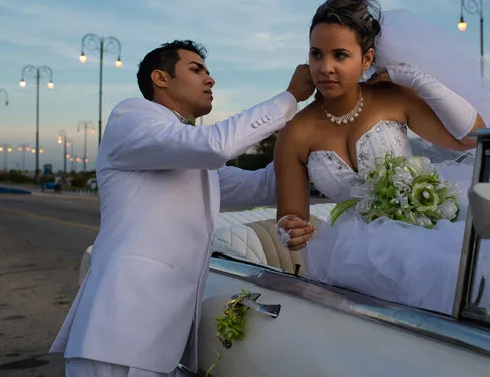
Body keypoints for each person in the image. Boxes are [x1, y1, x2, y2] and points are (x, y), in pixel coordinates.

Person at [275, 0, 490, 333]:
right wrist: (291, 230)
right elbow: (291, 218)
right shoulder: (295, 132)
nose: (326, 68)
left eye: (340, 55)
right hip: (349, 258)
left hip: (422, 237)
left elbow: (472, 137)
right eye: (316, 54)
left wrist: (417, 79)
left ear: (366, 58)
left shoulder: (392, 97)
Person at [49, 40, 316, 377]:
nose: (210, 80)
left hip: (157, 345)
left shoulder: (186, 153)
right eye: (196, 69)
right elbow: (217, 145)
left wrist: (317, 143)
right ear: (161, 78)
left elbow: (262, 185)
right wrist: (290, 97)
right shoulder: (133, 118)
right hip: (117, 335)